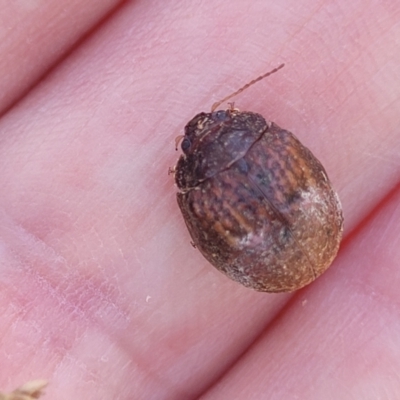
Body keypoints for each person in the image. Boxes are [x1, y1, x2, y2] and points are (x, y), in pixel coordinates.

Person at [0, 1, 399, 398]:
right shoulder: (247, 157)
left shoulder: (201, 192)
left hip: (286, 253)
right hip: (308, 236)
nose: (199, 126)